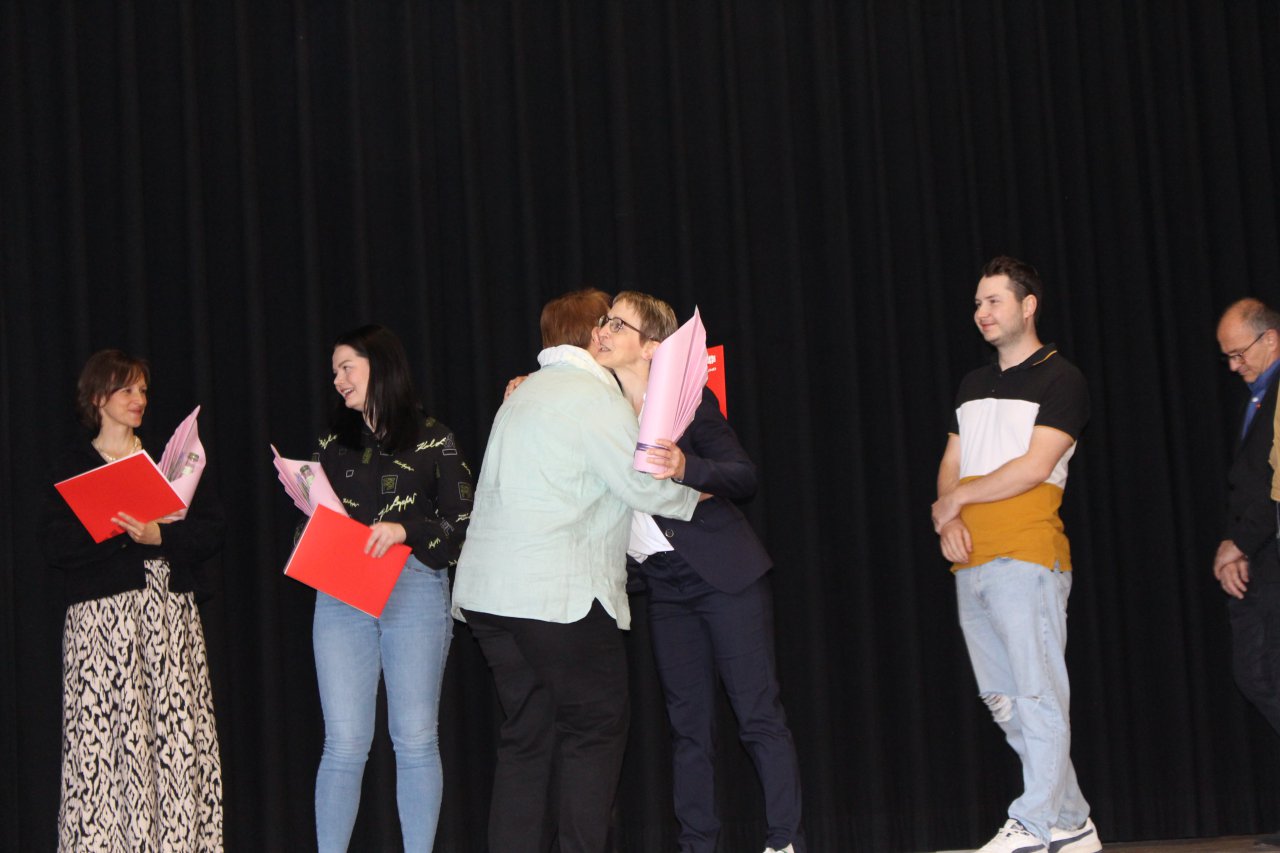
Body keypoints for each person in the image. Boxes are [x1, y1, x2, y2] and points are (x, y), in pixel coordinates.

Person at [452, 290, 700, 853]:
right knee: (596, 728)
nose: (610, 332)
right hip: (554, 596)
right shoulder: (593, 395)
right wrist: (699, 494)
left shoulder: (526, 393)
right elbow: (640, 484)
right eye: (607, 323)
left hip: (489, 597)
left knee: (527, 737)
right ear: (593, 335)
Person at [593, 290, 804, 853]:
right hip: (663, 585)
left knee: (757, 714)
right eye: (604, 321)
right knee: (687, 728)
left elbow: (742, 475)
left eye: (618, 324)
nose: (603, 331)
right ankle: (697, 846)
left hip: (723, 575)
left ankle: (785, 842)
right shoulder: (597, 408)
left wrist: (688, 465)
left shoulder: (688, 405)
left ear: (651, 347)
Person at [930, 257, 1100, 853]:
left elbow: (1034, 465)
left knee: (1037, 694)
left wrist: (955, 501)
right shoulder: (972, 384)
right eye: (978, 303)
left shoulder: (1062, 379)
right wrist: (948, 514)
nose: (982, 312)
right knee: (1005, 702)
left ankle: (1033, 822)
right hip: (971, 559)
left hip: (1026, 555)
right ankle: (1072, 820)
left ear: (1028, 306)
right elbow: (952, 462)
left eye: (994, 301)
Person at [40, 349, 225, 851]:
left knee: (172, 737)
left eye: (142, 389)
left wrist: (159, 536)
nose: (138, 398)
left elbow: (212, 531)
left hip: (167, 618)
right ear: (98, 397)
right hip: (101, 625)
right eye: (127, 389)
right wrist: (123, 533)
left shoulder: (169, 462)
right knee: (104, 743)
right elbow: (55, 546)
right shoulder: (72, 465)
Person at [309, 324, 473, 853]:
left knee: (416, 739)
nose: (338, 380)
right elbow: (314, 519)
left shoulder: (434, 438)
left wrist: (406, 530)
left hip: (414, 587)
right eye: (334, 371)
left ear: (379, 366)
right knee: (343, 743)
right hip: (341, 590)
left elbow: (463, 521)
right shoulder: (333, 444)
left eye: (347, 367)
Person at [1217, 300, 1280, 850]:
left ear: (1271, 340)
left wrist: (1239, 544)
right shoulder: (1262, 394)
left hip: (1269, 550)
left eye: (1239, 354)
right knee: (1259, 673)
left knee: (1262, 672)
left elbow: (1273, 486)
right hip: (1263, 552)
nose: (1233, 366)